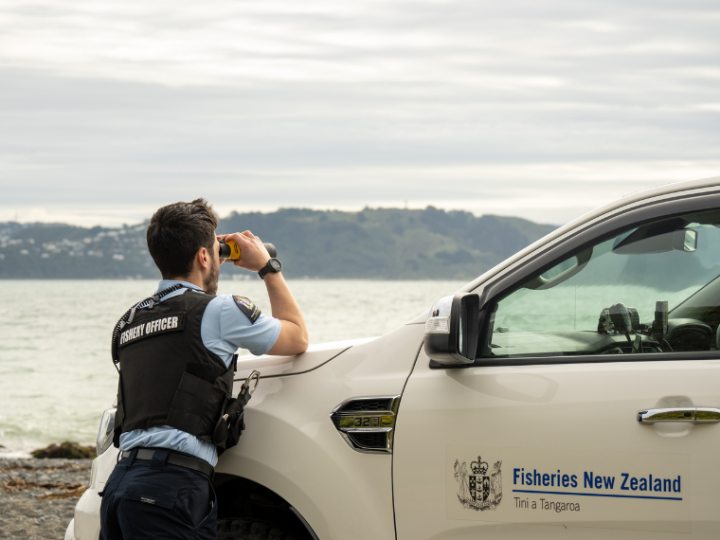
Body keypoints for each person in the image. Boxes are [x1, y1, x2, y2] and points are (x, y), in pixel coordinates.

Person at [99, 198, 308, 540]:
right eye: (216, 250)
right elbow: (297, 337)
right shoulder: (221, 311)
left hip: (119, 486)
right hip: (169, 490)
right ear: (204, 256)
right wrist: (268, 267)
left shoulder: (131, 321)